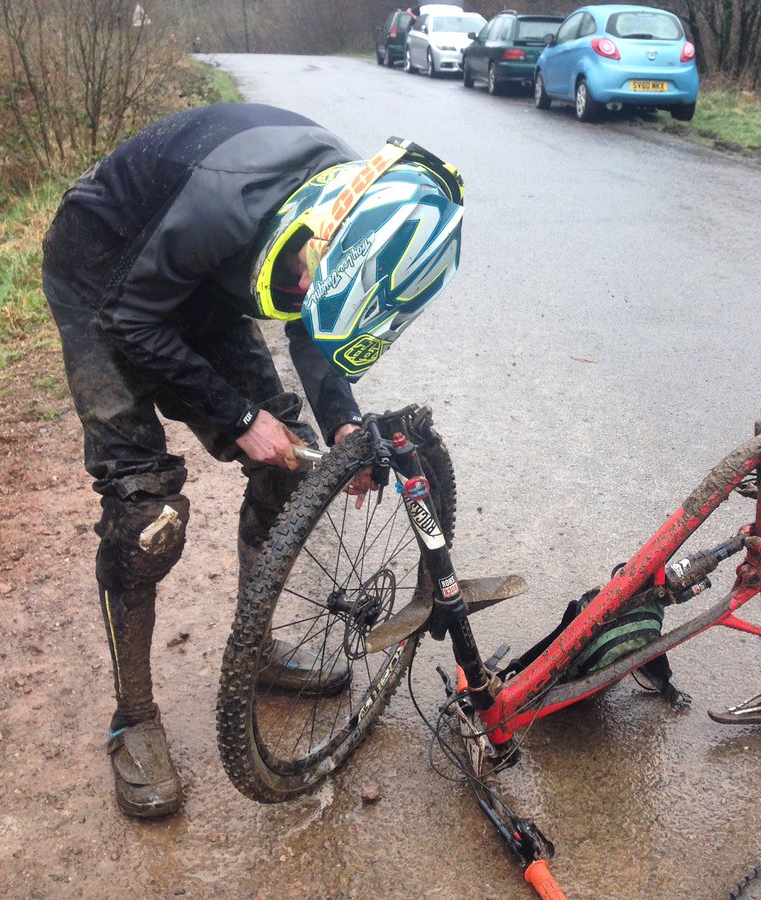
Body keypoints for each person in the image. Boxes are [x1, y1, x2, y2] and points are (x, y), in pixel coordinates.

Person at [42, 102, 464, 818]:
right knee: (145, 513)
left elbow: (315, 320)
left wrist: (340, 422)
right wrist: (239, 417)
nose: (300, 294)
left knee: (285, 460)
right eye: (306, 278)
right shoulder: (224, 204)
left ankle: (256, 653)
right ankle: (133, 718)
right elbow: (130, 316)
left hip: (195, 275)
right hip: (100, 271)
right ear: (316, 232)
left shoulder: (342, 218)